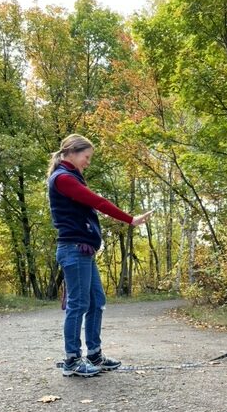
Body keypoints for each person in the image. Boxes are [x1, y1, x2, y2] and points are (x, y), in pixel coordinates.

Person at [47, 134, 153, 377]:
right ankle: (72, 360)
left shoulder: (71, 177)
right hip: (73, 249)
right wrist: (130, 219)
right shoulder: (63, 178)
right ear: (72, 152)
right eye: (87, 157)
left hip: (83, 250)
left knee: (97, 301)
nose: (88, 162)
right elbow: (98, 201)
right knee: (78, 304)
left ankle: (94, 353)